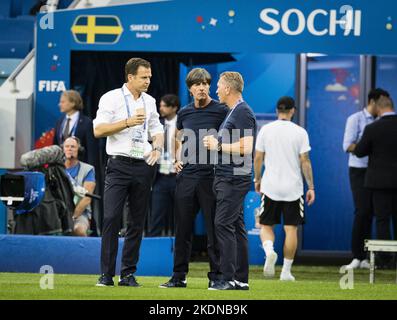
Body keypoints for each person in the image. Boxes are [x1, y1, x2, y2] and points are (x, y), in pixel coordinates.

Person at [93, 58, 164, 287]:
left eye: (150, 77)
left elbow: (156, 129)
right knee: (111, 217)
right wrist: (127, 122)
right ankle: (106, 274)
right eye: (144, 77)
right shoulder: (111, 98)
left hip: (143, 166)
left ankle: (128, 274)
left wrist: (158, 147)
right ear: (130, 77)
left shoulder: (151, 101)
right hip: (118, 165)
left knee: (136, 222)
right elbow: (98, 130)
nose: (148, 81)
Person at [159, 68, 228, 289]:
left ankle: (217, 276)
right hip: (187, 176)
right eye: (197, 84)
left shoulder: (222, 110)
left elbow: (230, 139)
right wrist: (176, 159)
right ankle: (179, 276)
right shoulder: (185, 113)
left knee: (213, 229)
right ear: (190, 89)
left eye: (205, 84)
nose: (201, 87)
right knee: (182, 229)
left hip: (211, 176)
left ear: (209, 86)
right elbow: (177, 138)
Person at [203, 71, 257, 290]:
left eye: (218, 86)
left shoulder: (242, 111)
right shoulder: (235, 111)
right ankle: (240, 279)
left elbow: (246, 147)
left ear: (227, 88)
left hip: (234, 178)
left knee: (223, 224)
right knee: (236, 225)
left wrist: (218, 145)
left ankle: (227, 278)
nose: (215, 90)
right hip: (230, 176)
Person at [253, 96, 315, 281]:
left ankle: (270, 250)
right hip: (293, 188)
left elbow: (258, 158)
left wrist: (257, 179)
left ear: (277, 111)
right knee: (291, 230)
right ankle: (286, 272)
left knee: (265, 226)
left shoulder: (266, 130)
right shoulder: (300, 132)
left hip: (270, 185)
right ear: (293, 110)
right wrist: (311, 186)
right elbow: (305, 161)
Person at [342, 88, 389, 270]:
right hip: (359, 171)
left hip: (378, 172)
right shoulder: (355, 119)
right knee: (362, 212)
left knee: (375, 213)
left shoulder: (383, 121)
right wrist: (367, 146)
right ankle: (357, 256)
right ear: (373, 102)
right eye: (383, 101)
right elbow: (347, 145)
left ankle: (368, 257)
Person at [354, 96, 397, 267]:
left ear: (378, 109)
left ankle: (384, 259)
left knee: (382, 219)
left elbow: (360, 151)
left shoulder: (372, 128)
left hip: (379, 183)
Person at [147, 94, 180, 237]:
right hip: (160, 176)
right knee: (156, 214)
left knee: (181, 215)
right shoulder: (157, 124)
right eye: (160, 105)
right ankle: (152, 246)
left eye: (164, 106)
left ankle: (182, 249)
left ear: (174, 108)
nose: (161, 108)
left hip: (178, 176)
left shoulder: (182, 123)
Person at [55, 90, 98, 166]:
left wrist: (90, 170)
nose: (59, 104)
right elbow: (55, 145)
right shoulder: (60, 122)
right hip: (62, 166)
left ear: (73, 103)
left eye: (63, 102)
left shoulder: (87, 122)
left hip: (80, 167)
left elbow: (91, 150)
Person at [63, 136, 96, 237]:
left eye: (73, 146)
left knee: (78, 230)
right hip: (60, 213)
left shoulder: (88, 169)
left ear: (79, 150)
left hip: (80, 213)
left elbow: (87, 199)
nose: (69, 149)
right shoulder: (56, 169)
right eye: (67, 146)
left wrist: (72, 217)